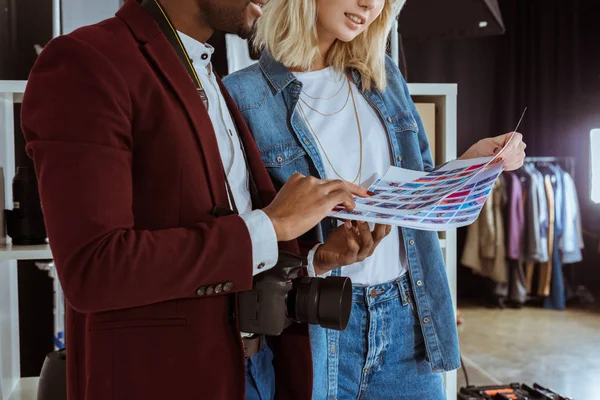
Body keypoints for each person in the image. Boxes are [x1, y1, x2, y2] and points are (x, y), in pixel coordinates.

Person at [20, 0, 392, 399]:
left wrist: (313, 258)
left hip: (257, 370)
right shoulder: (88, 61)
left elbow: (226, 242)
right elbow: (94, 268)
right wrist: (272, 224)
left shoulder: (204, 70)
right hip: (171, 378)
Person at [223, 0, 527, 398]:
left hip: (406, 316)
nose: (370, 4)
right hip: (316, 330)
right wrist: (319, 257)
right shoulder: (240, 95)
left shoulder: (383, 77)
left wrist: (472, 164)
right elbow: (238, 239)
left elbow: (417, 190)